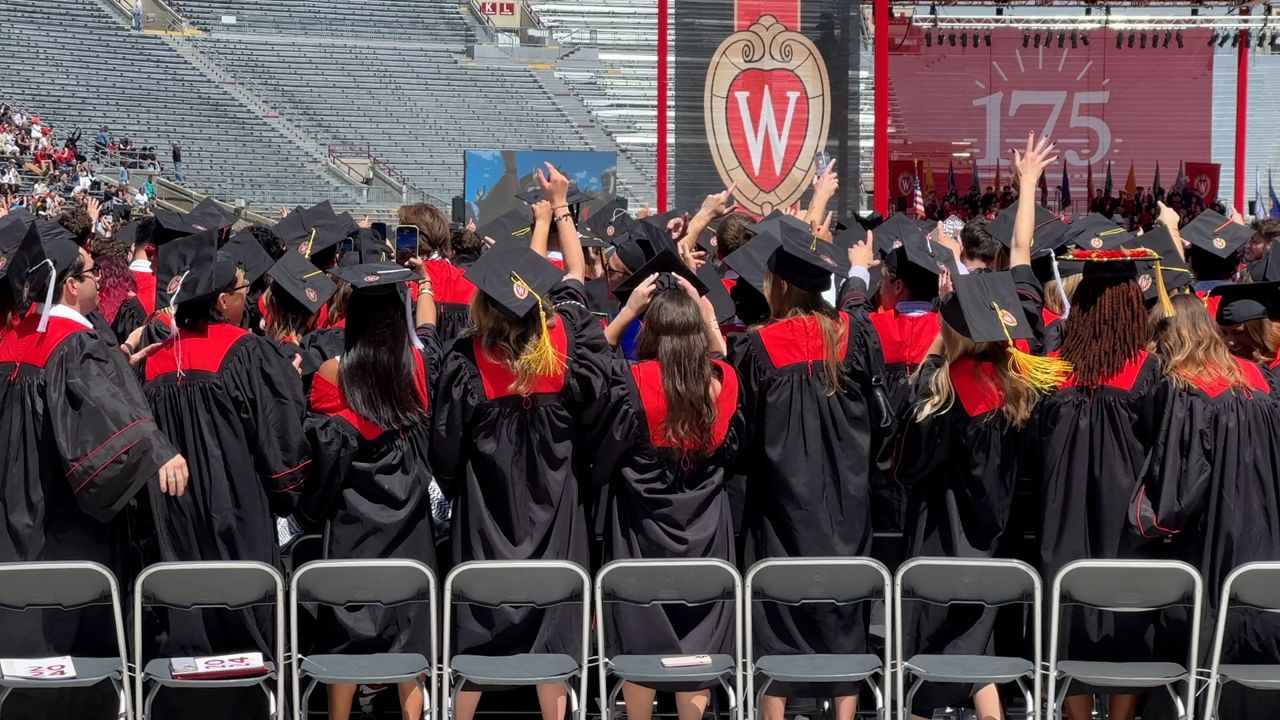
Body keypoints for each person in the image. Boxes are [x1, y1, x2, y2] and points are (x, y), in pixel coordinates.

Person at [897, 137, 1068, 720]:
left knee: (930, 654)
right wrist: (1027, 187)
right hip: (994, 538)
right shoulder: (1022, 377)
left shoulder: (942, 392)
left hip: (940, 541)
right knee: (979, 647)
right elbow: (1021, 254)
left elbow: (907, 465)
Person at [430, 164, 610, 720]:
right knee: (553, 631)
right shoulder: (566, 347)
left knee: (478, 627)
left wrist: (462, 483)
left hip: (488, 515)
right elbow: (602, 414)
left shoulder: (467, 361)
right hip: (557, 513)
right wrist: (558, 212)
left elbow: (445, 452)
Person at [0, 222, 187, 716]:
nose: (96, 282)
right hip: (57, 516)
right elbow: (97, 418)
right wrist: (156, 447)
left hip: (10, 506)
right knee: (63, 631)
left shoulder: (11, 336)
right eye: (88, 274)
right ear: (66, 284)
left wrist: (122, 356)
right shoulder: (71, 344)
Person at [728, 217, 886, 720]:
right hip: (848, 503)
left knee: (777, 613)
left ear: (777, 284)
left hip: (780, 507)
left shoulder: (755, 347)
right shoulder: (854, 335)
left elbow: (745, 434)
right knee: (843, 613)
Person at [139, 230, 309, 675]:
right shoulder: (244, 351)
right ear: (218, 302)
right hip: (238, 513)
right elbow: (279, 442)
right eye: (240, 291)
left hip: (174, 514)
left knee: (188, 611)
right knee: (246, 615)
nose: (246, 300)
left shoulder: (156, 360)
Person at [1036, 235, 1176, 719]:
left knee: (1067, 616)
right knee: (1127, 620)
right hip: (1126, 525)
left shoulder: (1054, 371)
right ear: (1129, 309)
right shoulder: (1147, 370)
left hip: (1061, 519)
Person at [593, 268, 742, 720]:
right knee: (697, 641)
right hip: (708, 534)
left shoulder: (632, 383)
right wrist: (710, 320)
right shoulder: (721, 384)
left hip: (641, 537)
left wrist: (626, 312)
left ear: (651, 330)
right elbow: (724, 365)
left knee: (642, 635)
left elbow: (593, 364)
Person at [298, 258, 438, 720]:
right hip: (408, 522)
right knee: (408, 630)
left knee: (345, 629)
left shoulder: (330, 376)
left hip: (353, 520)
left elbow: (324, 456)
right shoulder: (414, 368)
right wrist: (425, 292)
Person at [1136, 289, 1280, 720]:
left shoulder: (1185, 387)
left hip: (1212, 531)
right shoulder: (1260, 381)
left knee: (1212, 615)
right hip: (1266, 523)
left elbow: (1182, 486)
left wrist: (1150, 518)